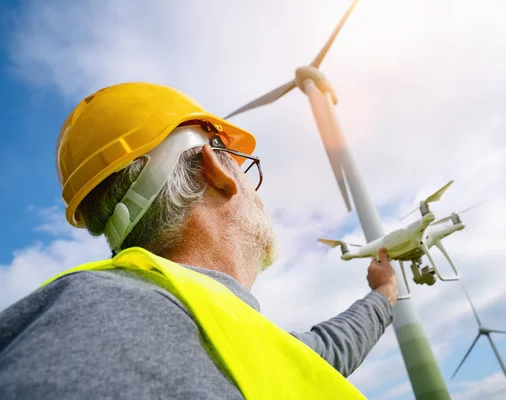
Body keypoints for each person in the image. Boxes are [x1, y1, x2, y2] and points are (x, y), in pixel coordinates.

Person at [0, 82, 398, 399]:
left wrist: (383, 295)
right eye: (244, 168)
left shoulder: (227, 334)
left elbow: (327, 350)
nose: (255, 190)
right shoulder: (100, 320)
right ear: (213, 168)